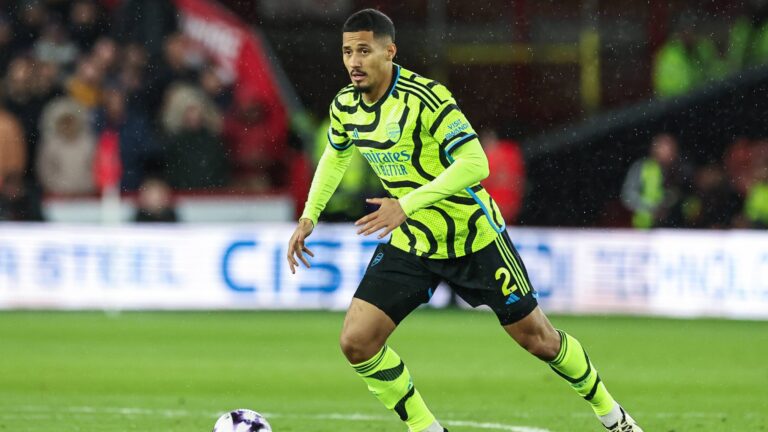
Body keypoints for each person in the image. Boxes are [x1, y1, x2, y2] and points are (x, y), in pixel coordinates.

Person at [286, 9, 643, 432]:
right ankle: (425, 427)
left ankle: (613, 416)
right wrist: (310, 216)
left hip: (473, 236)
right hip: (415, 241)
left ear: (389, 51)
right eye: (347, 52)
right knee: (357, 342)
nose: (354, 62)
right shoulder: (346, 105)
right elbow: (336, 155)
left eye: (364, 51)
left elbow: (476, 163)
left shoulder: (426, 98)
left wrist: (407, 204)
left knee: (539, 340)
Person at [621, 133, 689, 229]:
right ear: (654, 149)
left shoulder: (680, 170)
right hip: (645, 228)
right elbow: (628, 195)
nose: (668, 152)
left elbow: (686, 197)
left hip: (676, 228)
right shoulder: (642, 168)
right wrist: (650, 208)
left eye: (671, 148)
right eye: (664, 147)